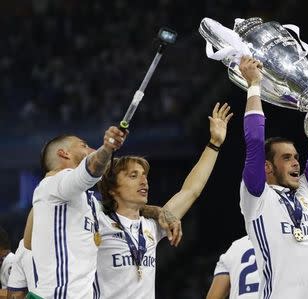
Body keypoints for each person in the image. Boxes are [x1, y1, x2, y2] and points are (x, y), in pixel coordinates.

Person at [95, 102, 233, 299]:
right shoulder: (97, 221)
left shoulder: (153, 225)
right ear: (112, 189)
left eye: (144, 175)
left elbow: (190, 191)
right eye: (133, 176)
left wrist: (214, 143)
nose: (144, 181)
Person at [238, 56, 308, 298]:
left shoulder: (305, 193)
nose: (296, 162)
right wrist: (254, 85)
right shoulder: (256, 197)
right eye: (286, 158)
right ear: (267, 168)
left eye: (296, 157)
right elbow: (254, 141)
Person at [30, 126, 128, 298]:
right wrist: (106, 148)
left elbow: (123, 212)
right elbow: (88, 173)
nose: (91, 150)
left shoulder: (86, 201)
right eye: (84, 145)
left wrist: (157, 212)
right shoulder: (53, 183)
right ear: (64, 153)